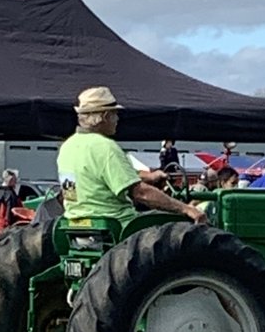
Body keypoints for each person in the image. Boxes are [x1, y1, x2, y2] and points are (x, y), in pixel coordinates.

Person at [57, 86, 206, 227]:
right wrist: (186, 209)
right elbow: (141, 193)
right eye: (115, 114)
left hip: (77, 225)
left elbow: (93, 181)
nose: (118, 119)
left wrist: (151, 177)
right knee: (175, 222)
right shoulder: (105, 147)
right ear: (105, 116)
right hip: (116, 224)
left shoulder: (68, 147)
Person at [0, 169, 23, 236]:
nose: (16, 182)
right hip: (4, 229)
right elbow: (8, 214)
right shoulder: (9, 195)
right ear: (11, 179)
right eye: (15, 180)